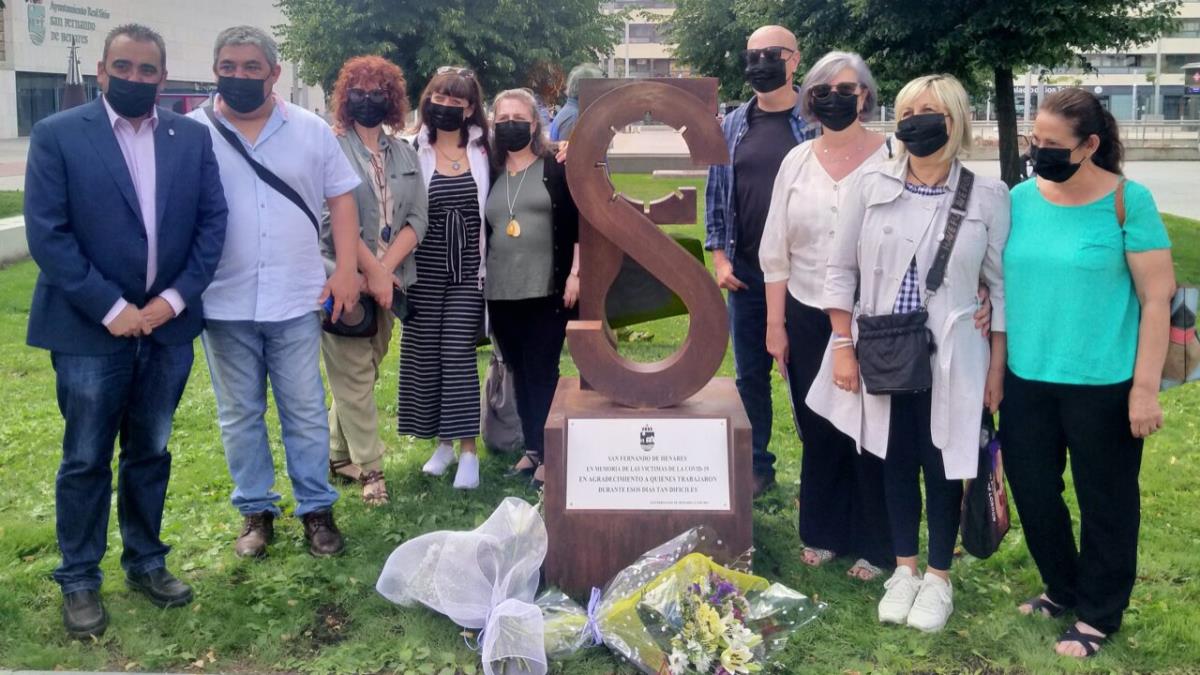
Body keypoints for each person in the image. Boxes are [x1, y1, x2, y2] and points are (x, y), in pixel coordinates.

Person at [24, 23, 228, 637]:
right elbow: (49, 234)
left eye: (147, 70)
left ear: (163, 77)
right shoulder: (58, 135)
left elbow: (212, 224)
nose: (135, 78)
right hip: (90, 331)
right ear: (100, 70)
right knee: (86, 457)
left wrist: (170, 301)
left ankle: (145, 560)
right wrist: (114, 310)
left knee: (151, 451)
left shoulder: (189, 138)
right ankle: (80, 578)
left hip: (166, 329)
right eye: (124, 67)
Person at [808, 74, 1010, 633]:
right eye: (908, 109)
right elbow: (839, 271)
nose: (916, 118)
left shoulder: (987, 195)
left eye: (931, 110)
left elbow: (1000, 283)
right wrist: (842, 348)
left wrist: (996, 364)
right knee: (893, 457)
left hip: (955, 356)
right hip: (883, 349)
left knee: (944, 461)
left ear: (956, 120)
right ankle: (904, 568)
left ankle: (940, 578)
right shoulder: (868, 183)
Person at [1001, 88, 1173, 658]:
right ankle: (1061, 586)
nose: (1038, 150)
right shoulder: (1020, 199)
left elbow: (1157, 298)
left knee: (1106, 500)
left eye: (1052, 144)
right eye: (1034, 140)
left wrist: (1145, 388)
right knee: (1032, 490)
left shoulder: (1129, 201)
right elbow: (1004, 280)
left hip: (1104, 382)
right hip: (1028, 375)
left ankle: (1099, 612)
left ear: (1090, 145)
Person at [191, 26, 362, 558]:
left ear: (273, 73)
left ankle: (316, 509)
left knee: (305, 409)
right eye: (228, 66)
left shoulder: (310, 131)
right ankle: (256, 512)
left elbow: (342, 202)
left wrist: (347, 271)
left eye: (250, 67)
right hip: (223, 300)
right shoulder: (190, 132)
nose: (238, 75)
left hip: (296, 297)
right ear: (215, 67)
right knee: (239, 413)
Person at [760, 51, 895, 581]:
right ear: (810, 99)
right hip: (806, 309)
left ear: (865, 95)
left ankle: (876, 541)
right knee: (818, 427)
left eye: (847, 87)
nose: (835, 97)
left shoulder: (894, 157)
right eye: (823, 89)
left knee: (869, 428)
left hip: (876, 316)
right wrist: (775, 325)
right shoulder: (796, 161)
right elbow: (775, 250)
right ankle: (822, 530)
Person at [704, 25, 818, 496]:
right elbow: (716, 191)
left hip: (807, 275)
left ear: (794, 61)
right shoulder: (732, 125)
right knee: (751, 376)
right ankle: (757, 464)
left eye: (771, 54)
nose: (760, 63)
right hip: (748, 273)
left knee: (813, 375)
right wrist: (719, 256)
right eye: (752, 55)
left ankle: (824, 469)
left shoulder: (816, 123)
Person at [320, 55, 427, 506]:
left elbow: (417, 219)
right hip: (343, 277)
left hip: (392, 284)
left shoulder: (404, 152)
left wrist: (387, 273)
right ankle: (371, 471)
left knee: (367, 367)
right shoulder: (330, 148)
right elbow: (330, 218)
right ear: (347, 98)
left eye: (377, 91)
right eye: (359, 91)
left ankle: (337, 453)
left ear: (391, 99)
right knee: (355, 376)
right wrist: (371, 272)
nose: (368, 98)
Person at [399, 67, 490, 490]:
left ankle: (469, 450)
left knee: (457, 354)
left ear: (471, 108)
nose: (448, 107)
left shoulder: (484, 150)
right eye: (441, 98)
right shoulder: (410, 150)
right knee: (426, 356)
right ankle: (442, 443)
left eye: (458, 101)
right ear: (428, 100)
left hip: (468, 269)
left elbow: (534, 156)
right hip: (424, 268)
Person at [485, 88, 580, 490]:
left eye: (518, 117)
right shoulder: (488, 170)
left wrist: (576, 273)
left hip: (547, 290)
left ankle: (548, 451)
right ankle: (532, 448)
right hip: (502, 292)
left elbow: (579, 224)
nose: (510, 124)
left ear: (534, 123)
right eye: (501, 117)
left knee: (542, 371)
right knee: (518, 371)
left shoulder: (555, 167)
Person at [549, 63, 604, 142]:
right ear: (588, 89)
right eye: (599, 87)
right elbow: (571, 153)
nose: (602, 93)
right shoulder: (574, 117)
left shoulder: (572, 113)